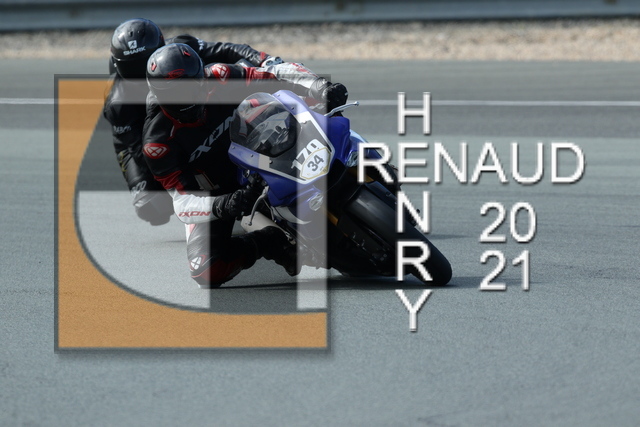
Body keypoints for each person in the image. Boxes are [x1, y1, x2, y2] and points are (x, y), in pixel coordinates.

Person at [142, 43, 348, 287]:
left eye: (191, 86)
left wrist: (320, 87)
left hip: (263, 146)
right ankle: (270, 241)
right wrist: (223, 204)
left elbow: (275, 74)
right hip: (219, 190)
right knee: (206, 270)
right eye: (176, 93)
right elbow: (182, 203)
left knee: (320, 106)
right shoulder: (157, 142)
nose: (186, 97)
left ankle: (358, 159)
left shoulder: (219, 76)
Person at [103, 18, 283, 225]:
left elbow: (226, 49)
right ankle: (209, 199)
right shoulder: (118, 104)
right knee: (151, 206)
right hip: (144, 134)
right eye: (132, 68)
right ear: (118, 67)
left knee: (247, 69)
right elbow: (138, 150)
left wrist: (266, 61)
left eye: (144, 63)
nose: (142, 73)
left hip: (201, 97)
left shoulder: (179, 53)